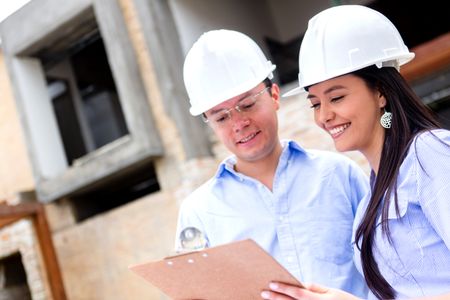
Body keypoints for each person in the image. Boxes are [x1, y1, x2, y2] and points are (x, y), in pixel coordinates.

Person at [262, 5, 450, 300]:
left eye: (336, 97)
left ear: (380, 92)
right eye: (315, 103)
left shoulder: (429, 154)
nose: (324, 116)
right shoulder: (368, 204)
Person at [175, 29, 370, 297]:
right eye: (221, 118)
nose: (239, 123)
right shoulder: (199, 211)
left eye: (248, 104)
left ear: (274, 95)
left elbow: (389, 271)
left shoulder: (339, 174)